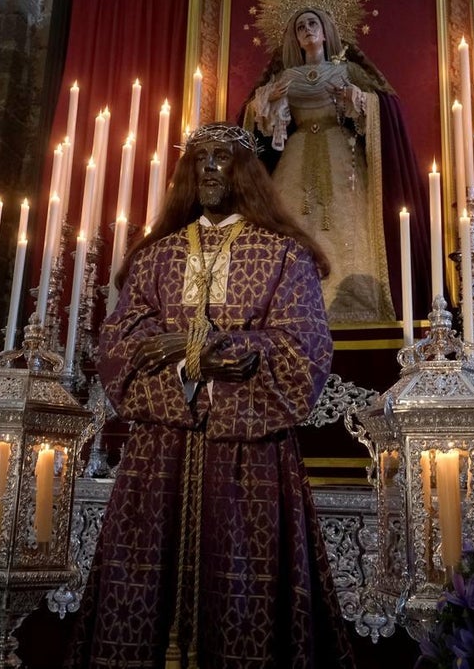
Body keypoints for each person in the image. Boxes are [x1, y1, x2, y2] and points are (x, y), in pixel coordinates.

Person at [66, 123, 355, 669]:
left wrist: (200, 344)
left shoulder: (283, 258)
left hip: (250, 454)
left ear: (246, 173)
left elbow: (303, 350)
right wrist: (198, 365)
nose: (210, 168)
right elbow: (121, 345)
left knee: (245, 596)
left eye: (223, 157)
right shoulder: (157, 258)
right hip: (159, 455)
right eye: (200, 159)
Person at [244, 5, 430, 324]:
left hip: (341, 156)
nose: (307, 30)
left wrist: (354, 99)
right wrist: (268, 101)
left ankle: (354, 309)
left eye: (312, 23)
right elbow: (257, 122)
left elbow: (382, 107)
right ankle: (290, 309)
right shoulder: (286, 77)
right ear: (295, 38)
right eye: (300, 26)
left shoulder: (347, 72)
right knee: (292, 225)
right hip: (297, 155)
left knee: (349, 224)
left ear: (326, 30)